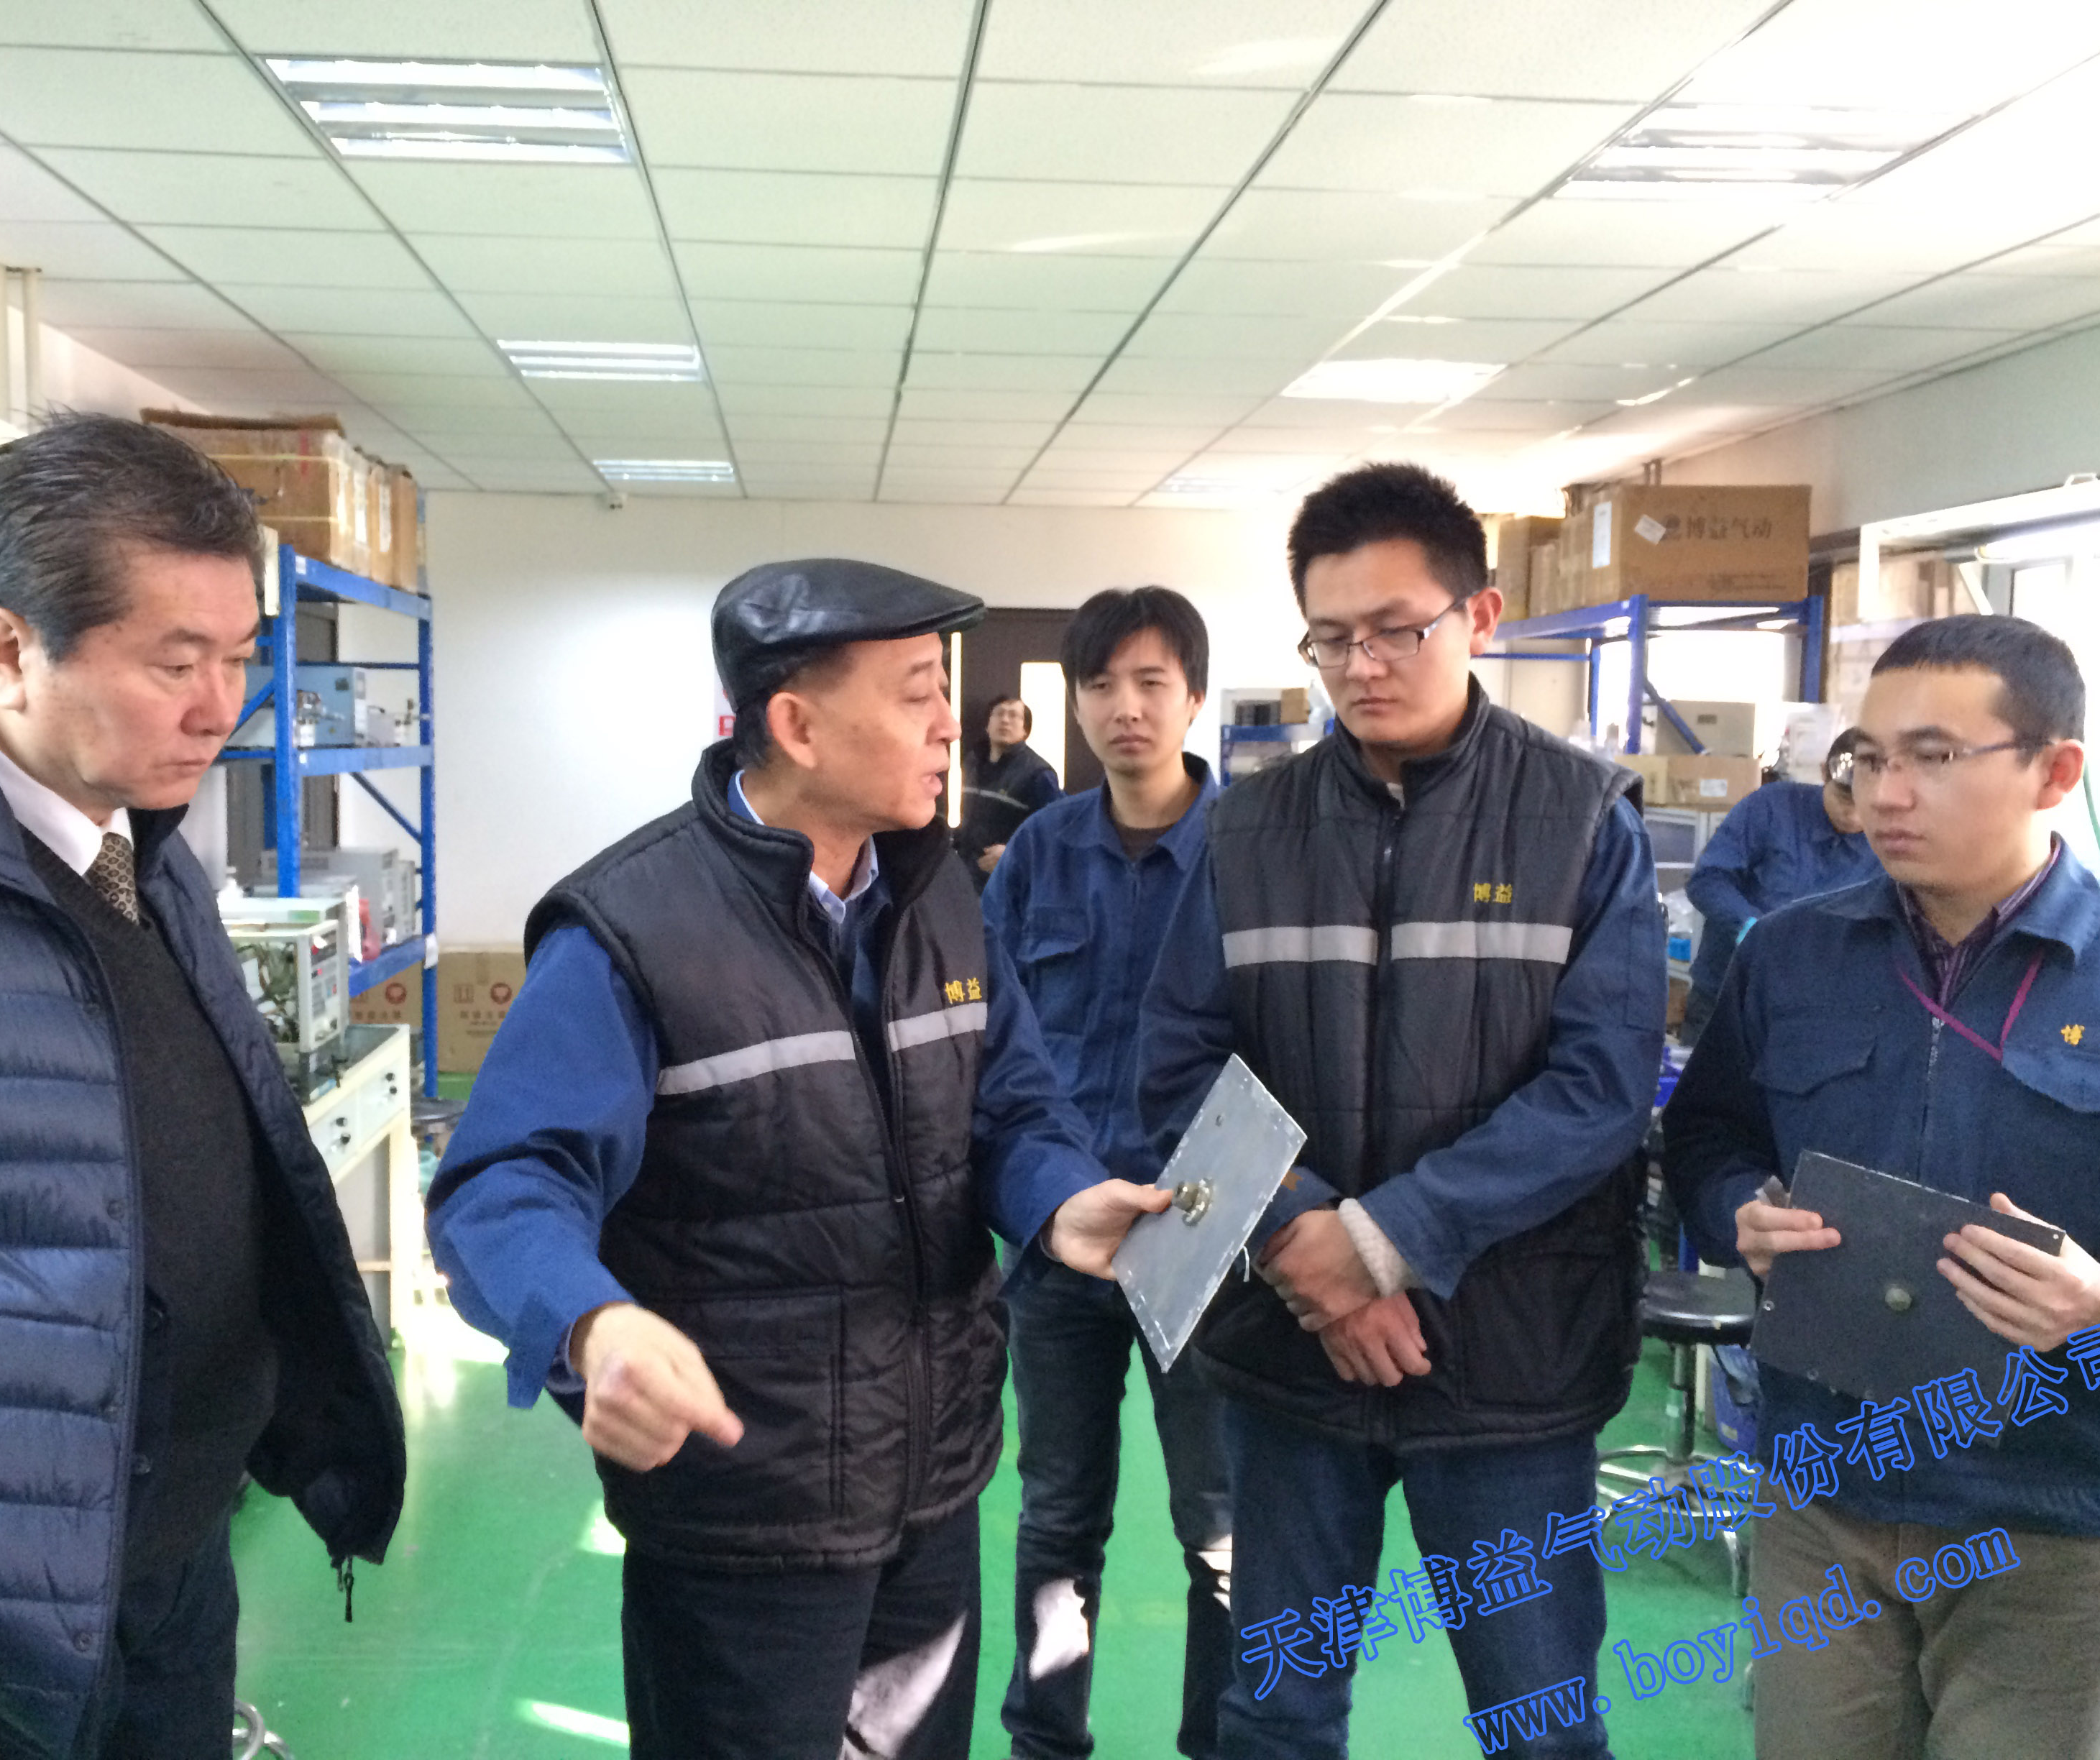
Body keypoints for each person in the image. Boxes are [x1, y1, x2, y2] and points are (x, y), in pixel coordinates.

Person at [426, 558, 1167, 1760]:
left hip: (932, 1486)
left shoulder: (939, 895)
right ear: (796, 725)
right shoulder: (636, 929)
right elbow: (505, 1182)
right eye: (918, 693)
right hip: (744, 1515)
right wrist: (589, 1324)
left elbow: (1010, 1106)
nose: (952, 724)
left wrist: (1060, 1200)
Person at [0, 414, 405, 1759]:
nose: (220, 705)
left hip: (166, 1557)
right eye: (175, 662)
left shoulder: (145, 852)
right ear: (9, 650)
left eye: (239, 657)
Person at [1138, 462, 1666, 1760]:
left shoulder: (1580, 820)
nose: (1361, 666)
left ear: (1477, 616)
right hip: (1290, 1358)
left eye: (1396, 629)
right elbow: (1179, 1070)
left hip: (1508, 1364)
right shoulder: (1247, 831)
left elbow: (1600, 1089)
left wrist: (1384, 1241)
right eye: (1331, 638)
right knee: (1274, 1715)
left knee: (1538, 1723)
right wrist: (1309, 1250)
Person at [1664, 615, 2100, 1760]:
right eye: (1867, 759)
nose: (1886, 794)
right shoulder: (1791, 953)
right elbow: (1708, 1134)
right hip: (1824, 1488)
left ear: (2055, 771)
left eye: (1933, 757)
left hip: (2052, 1508)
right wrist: (1739, 1214)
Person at [983, 587, 1232, 1760]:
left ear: (1193, 697)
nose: (1124, 707)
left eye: (1150, 683)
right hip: (1060, 1237)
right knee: (1056, 1519)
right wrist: (1039, 1197)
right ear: (1074, 704)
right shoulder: (1038, 852)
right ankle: (1046, 1741)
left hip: (1204, 1243)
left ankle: (1219, 1741)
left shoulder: (1252, 854)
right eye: (1099, 685)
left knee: (1220, 1531)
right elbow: (989, 1039)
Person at [1681, 726, 1881, 1042]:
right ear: (1823, 774)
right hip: (1729, 997)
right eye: (1844, 798)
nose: (1853, 815)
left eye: (1865, 803)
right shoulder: (1771, 807)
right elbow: (1707, 879)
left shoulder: (1889, 844)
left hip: (1819, 1014)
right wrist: (1750, 928)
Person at [960, 694, 1061, 889]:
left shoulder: (1039, 774)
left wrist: (1014, 853)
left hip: (1010, 884)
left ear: (1025, 730)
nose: (1005, 720)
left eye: (1014, 715)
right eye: (999, 714)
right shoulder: (972, 762)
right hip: (968, 879)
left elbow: (1055, 832)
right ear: (987, 725)